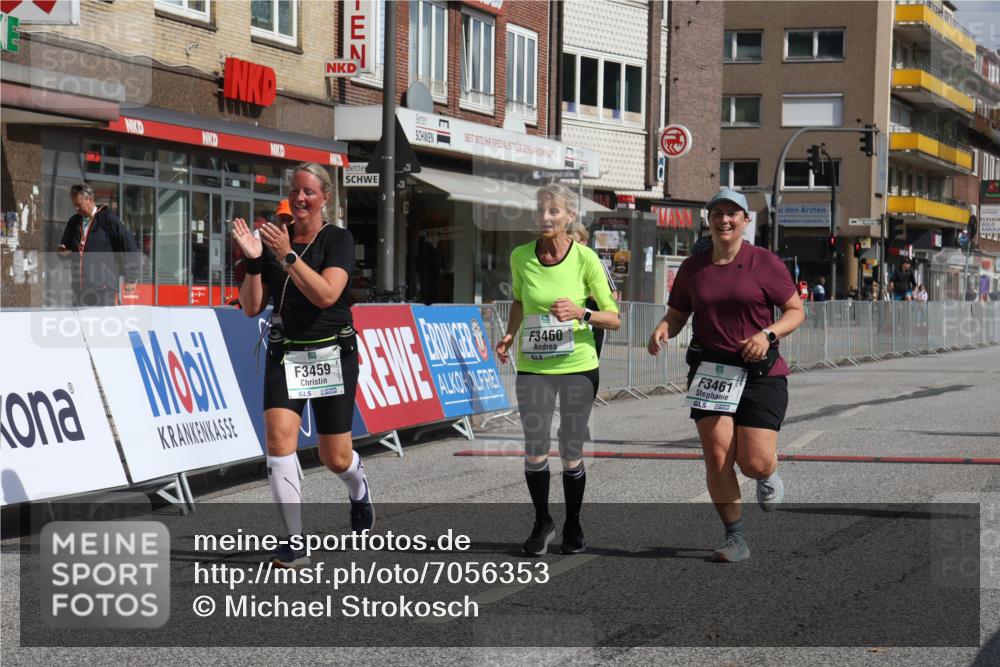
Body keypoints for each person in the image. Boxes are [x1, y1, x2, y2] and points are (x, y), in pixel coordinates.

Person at [646, 188, 805, 563]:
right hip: (712, 370)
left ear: (745, 221)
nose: (724, 219)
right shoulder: (693, 267)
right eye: (717, 213)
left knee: (753, 461)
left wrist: (767, 335)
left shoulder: (764, 263)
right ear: (709, 220)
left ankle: (767, 473)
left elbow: (795, 310)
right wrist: (664, 327)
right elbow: (678, 312)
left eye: (733, 213)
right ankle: (735, 538)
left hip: (760, 370)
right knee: (718, 456)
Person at [232, 162, 372, 568]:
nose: (300, 198)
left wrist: (287, 256)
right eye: (295, 191)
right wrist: (255, 262)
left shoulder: (338, 239)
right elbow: (251, 307)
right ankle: (294, 542)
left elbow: (327, 294)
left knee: (335, 457)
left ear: (325, 197)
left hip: (332, 352)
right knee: (278, 440)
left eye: (309, 191)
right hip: (286, 352)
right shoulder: (275, 239)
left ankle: (359, 489)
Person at [495, 183, 620, 556]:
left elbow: (613, 318)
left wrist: (582, 312)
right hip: (534, 365)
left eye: (553, 211)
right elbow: (520, 301)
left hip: (578, 365)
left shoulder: (585, 259)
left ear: (569, 216)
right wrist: (509, 333)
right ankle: (542, 521)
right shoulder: (521, 256)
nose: (545, 217)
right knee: (535, 448)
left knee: (570, 448)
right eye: (540, 211)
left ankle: (574, 523)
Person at [56, 183, 139, 306]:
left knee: (103, 318)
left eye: (79, 205)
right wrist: (62, 252)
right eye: (74, 205)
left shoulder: (108, 218)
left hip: (103, 288)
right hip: (80, 288)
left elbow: (128, 245)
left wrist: (131, 278)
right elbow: (66, 248)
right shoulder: (73, 222)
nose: (77, 209)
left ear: (90, 199)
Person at [567, 221, 619, 359]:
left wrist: (593, 295)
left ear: (584, 242)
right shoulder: (563, 264)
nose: (571, 247)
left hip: (593, 323)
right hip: (568, 326)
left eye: (575, 242)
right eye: (568, 242)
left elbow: (614, 295)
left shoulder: (597, 263)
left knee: (591, 361)